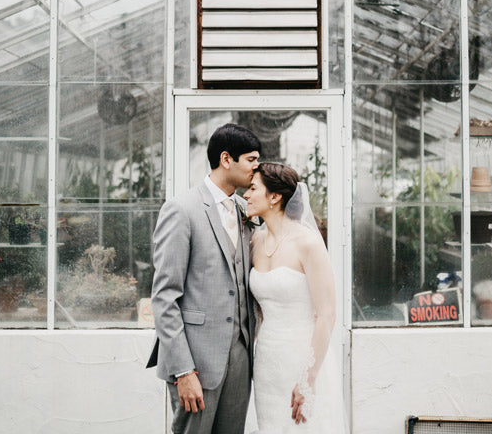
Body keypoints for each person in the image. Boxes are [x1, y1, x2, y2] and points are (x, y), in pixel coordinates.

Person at [147, 123, 262, 434]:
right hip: (195, 360)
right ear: (227, 159)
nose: (257, 167)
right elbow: (165, 295)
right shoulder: (181, 209)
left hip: (240, 357)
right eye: (251, 159)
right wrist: (183, 370)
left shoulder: (245, 210)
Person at [244, 162, 346, 432]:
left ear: (275, 197)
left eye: (253, 188)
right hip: (266, 361)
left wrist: (307, 377)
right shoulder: (255, 240)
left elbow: (327, 314)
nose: (246, 195)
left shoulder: (308, 243)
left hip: (301, 356)